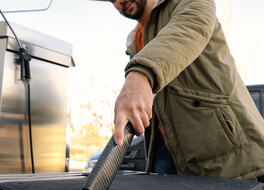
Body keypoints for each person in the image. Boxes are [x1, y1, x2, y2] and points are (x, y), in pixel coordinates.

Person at [109, 0, 264, 180]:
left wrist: (141, 73)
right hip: (163, 150)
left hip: (223, 149)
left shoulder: (185, 2)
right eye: (112, 0)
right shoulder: (134, 38)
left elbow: (189, 27)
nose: (120, 1)